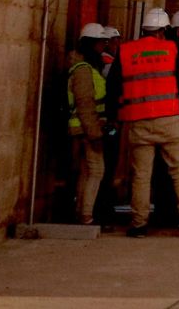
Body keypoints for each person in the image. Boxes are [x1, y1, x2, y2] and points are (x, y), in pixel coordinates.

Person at [111, 7, 179, 238]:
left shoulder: (125, 52)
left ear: (144, 29)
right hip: (169, 119)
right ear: (164, 30)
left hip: (138, 121)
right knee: (178, 170)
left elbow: (114, 87)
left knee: (141, 175)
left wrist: (118, 116)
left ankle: (139, 223)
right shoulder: (172, 50)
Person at [63, 25, 115, 225]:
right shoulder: (84, 70)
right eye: (101, 42)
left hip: (86, 127)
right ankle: (86, 214)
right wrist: (94, 133)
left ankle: (82, 213)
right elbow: (85, 104)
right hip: (86, 129)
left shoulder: (88, 68)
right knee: (96, 171)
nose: (104, 46)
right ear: (90, 44)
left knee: (86, 171)